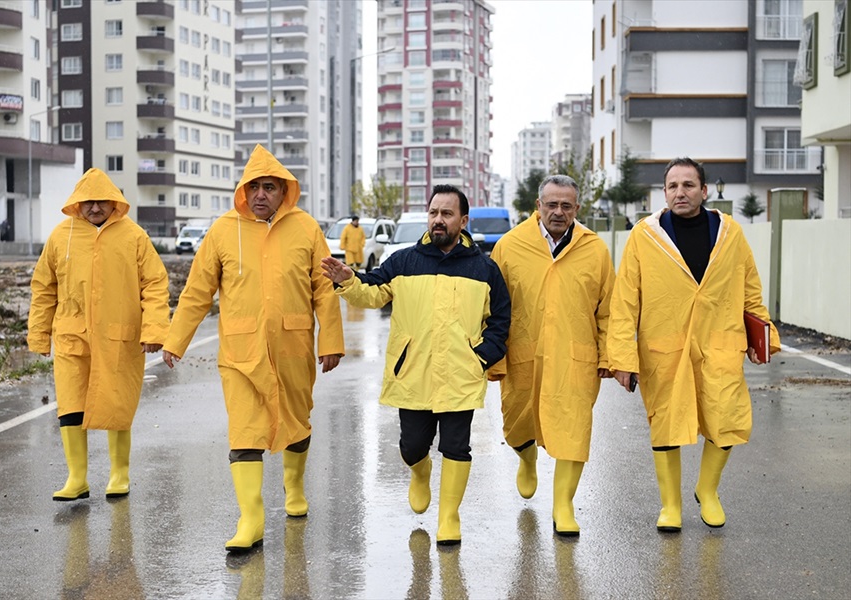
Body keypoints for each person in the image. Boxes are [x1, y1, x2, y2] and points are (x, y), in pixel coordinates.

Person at [162, 144, 344, 553]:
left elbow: (324, 290)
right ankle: (251, 518)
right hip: (240, 355)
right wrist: (176, 340)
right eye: (254, 187)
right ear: (243, 190)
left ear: (284, 192)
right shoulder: (224, 230)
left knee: (296, 421)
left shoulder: (306, 228)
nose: (261, 194)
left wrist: (330, 339)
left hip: (293, 347)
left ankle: (294, 488)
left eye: (269, 187)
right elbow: (196, 292)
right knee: (244, 432)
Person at [321, 184, 511, 546]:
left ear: (463, 220)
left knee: (457, 446)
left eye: (447, 214)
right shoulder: (404, 261)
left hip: (461, 373)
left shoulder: (484, 268)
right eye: (434, 213)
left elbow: (501, 317)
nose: (438, 220)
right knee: (411, 447)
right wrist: (348, 281)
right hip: (413, 373)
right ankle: (420, 472)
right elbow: (373, 293)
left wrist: (482, 355)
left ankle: (449, 518)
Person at [607, 157, 781, 532]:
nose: (680, 192)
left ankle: (708, 489)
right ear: (664, 192)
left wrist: (762, 336)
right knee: (666, 423)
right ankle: (670, 505)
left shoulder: (729, 233)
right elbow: (624, 301)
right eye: (673, 186)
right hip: (663, 347)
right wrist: (622, 356)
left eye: (689, 185)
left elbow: (750, 287)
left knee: (727, 417)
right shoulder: (644, 235)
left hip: (720, 341)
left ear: (704, 191)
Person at [27, 168, 170, 502]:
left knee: (116, 402)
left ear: (113, 202)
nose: (94, 208)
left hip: (119, 336)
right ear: (77, 202)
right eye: (88, 201)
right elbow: (44, 288)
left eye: (101, 202)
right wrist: (39, 334)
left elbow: (155, 283)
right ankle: (77, 477)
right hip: (71, 335)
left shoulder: (134, 237)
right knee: (71, 405)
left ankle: (119, 473)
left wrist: (154, 329)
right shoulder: (60, 237)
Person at [488, 174, 614, 537]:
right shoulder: (510, 246)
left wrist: (609, 356)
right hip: (522, 355)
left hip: (576, 358)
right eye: (551, 204)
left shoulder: (595, 250)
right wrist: (494, 360)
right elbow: (492, 309)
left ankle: (563, 506)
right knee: (517, 426)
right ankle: (526, 459)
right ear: (538, 206)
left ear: (577, 208)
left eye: (566, 205)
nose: (558, 212)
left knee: (573, 430)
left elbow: (609, 310)